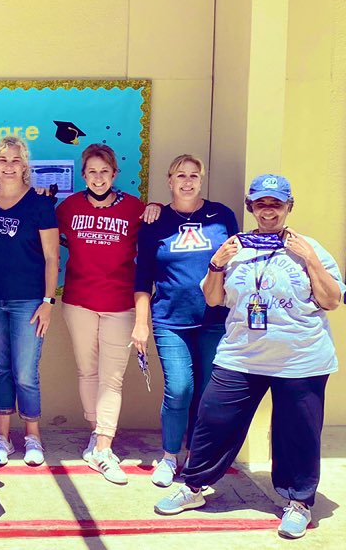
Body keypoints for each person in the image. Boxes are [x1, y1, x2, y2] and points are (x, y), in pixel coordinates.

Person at [154, 174, 344, 540]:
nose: (268, 210)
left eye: (276, 203)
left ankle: (299, 503)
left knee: (298, 435)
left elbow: (332, 300)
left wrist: (310, 262)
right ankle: (194, 487)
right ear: (251, 207)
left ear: (289, 206)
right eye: (261, 203)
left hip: (300, 360)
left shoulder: (310, 248)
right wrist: (215, 265)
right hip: (241, 355)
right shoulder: (234, 248)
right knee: (213, 422)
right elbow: (212, 298)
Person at [131, 155, 238, 487]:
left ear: (202, 179)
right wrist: (141, 322)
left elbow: (239, 266)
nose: (187, 181)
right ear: (169, 180)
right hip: (170, 320)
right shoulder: (155, 220)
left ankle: (197, 455)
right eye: (181, 175)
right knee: (179, 389)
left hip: (214, 319)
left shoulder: (222, 216)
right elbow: (142, 277)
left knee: (207, 393)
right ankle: (169, 456)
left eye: (194, 175)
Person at [56, 143, 144, 485]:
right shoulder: (70, 206)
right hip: (78, 301)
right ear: (83, 175)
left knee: (112, 378)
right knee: (87, 371)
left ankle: (105, 448)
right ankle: (96, 435)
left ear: (115, 174)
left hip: (119, 304)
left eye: (104, 171)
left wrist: (153, 209)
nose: (98, 177)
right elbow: (46, 232)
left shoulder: (134, 208)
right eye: (91, 171)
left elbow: (153, 237)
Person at [0, 136, 60, 467]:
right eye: (3, 160)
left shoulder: (39, 205)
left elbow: (52, 257)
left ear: (25, 166)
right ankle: (3, 438)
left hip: (28, 301)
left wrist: (48, 301)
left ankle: (32, 436)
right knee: (1, 369)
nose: (9, 166)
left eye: (16, 160)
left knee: (25, 372)